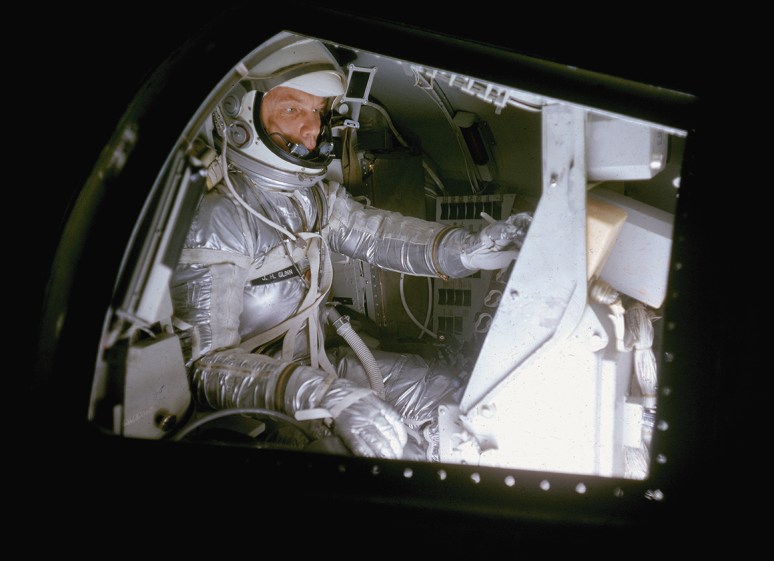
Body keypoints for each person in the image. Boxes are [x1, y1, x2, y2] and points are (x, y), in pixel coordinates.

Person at [170, 33, 531, 460]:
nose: (311, 129)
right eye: (291, 109)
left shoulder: (312, 196)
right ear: (239, 117)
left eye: (318, 112)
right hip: (262, 402)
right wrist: (326, 396)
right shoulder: (220, 216)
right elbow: (207, 366)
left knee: (452, 401)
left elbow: (377, 235)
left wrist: (465, 251)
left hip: (323, 363)